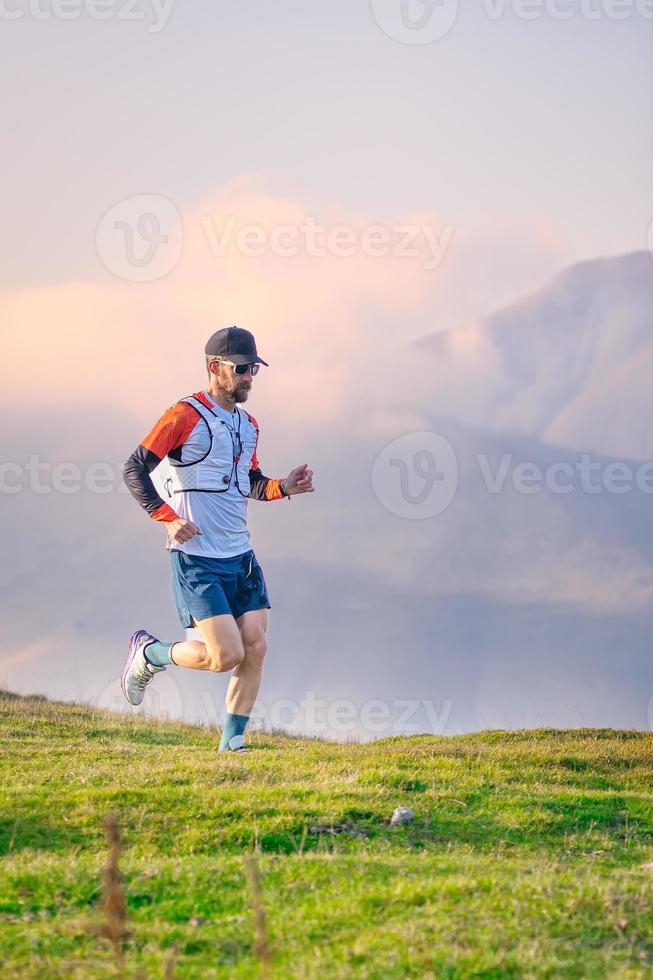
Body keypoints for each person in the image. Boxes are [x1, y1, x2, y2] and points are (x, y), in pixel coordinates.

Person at [121, 326, 315, 752]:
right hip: (196, 558)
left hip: (240, 556)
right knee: (225, 656)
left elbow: (248, 482)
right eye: (242, 369)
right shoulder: (183, 415)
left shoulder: (249, 425)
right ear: (216, 368)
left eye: (254, 370)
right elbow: (134, 468)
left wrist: (284, 486)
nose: (250, 378)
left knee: (256, 647)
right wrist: (166, 518)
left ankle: (232, 744)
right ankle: (150, 654)